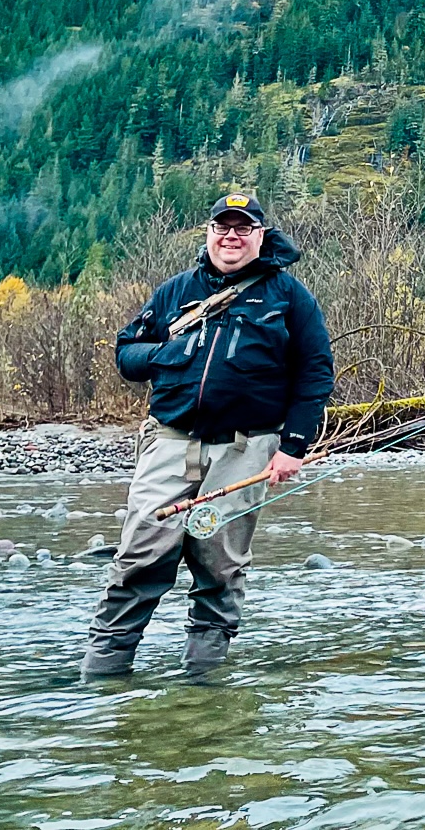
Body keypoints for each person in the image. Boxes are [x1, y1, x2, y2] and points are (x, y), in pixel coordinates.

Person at [82, 194, 334, 680]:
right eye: (223, 227)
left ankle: (203, 688)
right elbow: (126, 354)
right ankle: (101, 680)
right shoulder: (176, 291)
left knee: (219, 567)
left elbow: (316, 374)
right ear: (209, 232)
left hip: (247, 448)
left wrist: (293, 448)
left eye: (244, 228)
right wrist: (165, 354)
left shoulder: (289, 297)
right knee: (140, 556)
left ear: (261, 236)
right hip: (169, 442)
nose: (232, 236)